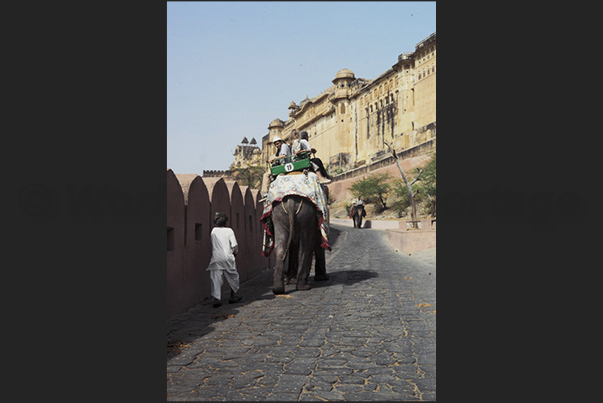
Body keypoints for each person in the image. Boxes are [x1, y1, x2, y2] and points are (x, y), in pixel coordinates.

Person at [206, 212, 243, 308]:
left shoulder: (213, 231)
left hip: (216, 258)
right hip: (228, 257)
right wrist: (235, 253)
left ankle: (216, 299)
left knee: (216, 279)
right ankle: (233, 296)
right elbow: (234, 245)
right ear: (225, 222)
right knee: (233, 277)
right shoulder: (229, 231)